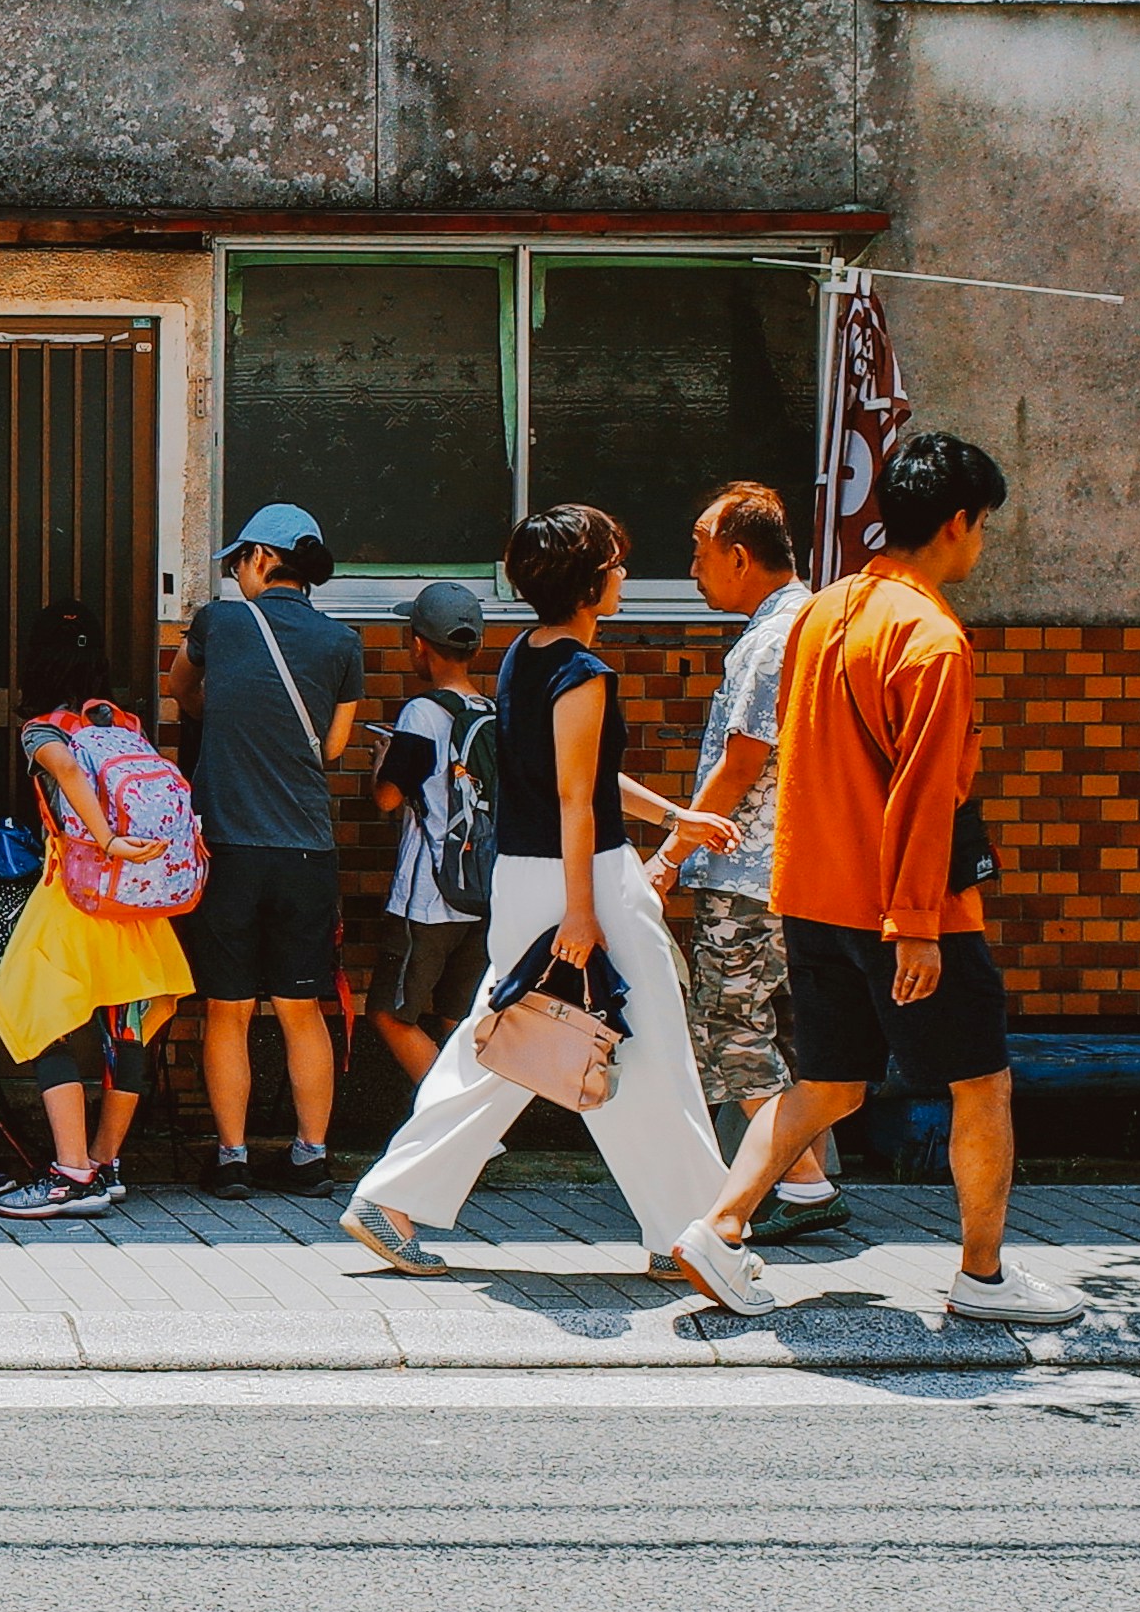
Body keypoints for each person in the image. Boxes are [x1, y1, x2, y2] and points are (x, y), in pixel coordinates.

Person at [680, 432, 1078, 1326]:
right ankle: (981, 1278)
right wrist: (916, 925)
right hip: (905, 907)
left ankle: (720, 1223)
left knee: (827, 1081)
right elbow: (924, 791)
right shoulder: (932, 638)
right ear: (956, 522)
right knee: (981, 1083)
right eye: (981, 526)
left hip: (808, 894)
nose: (980, 542)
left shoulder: (819, 613)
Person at [342, 504, 754, 1310]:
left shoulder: (526, 659)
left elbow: (581, 779)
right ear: (590, 579)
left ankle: (389, 1200)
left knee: (512, 1044)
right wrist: (581, 912)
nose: (625, 573)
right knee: (645, 1048)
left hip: (532, 878)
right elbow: (575, 797)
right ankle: (691, 1231)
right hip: (583, 878)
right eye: (617, 561)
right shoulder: (582, 673)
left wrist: (676, 818)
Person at [654, 479, 842, 1242]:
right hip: (805, 868)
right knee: (783, 1033)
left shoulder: (771, 638)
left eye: (700, 556)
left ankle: (801, 1184)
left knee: (730, 1029)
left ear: (738, 556)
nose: (693, 571)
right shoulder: (822, 621)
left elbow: (740, 761)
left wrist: (670, 852)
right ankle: (795, 1179)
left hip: (747, 869)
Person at [169, 500, 365, 1198]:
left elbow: (179, 690)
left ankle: (230, 1158)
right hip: (305, 850)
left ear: (257, 559)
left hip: (227, 846)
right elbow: (335, 748)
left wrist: (224, 717)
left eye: (235, 561)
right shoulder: (343, 642)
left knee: (226, 1008)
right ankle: (310, 1156)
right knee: (299, 1007)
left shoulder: (218, 624)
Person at [0, 601, 188, 1220]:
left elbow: (67, 769)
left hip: (74, 896)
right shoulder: (123, 722)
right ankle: (105, 1163)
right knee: (127, 1027)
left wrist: (104, 840)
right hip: (138, 903)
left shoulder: (43, 730)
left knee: (40, 1016)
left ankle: (71, 1173)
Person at [362, 581, 494, 1097]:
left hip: (427, 899)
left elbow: (389, 799)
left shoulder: (421, 714)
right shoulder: (490, 711)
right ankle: (475, 1118)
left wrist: (380, 760)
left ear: (417, 644)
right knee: (456, 1019)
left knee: (390, 1013)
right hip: (481, 892)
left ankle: (453, 1118)